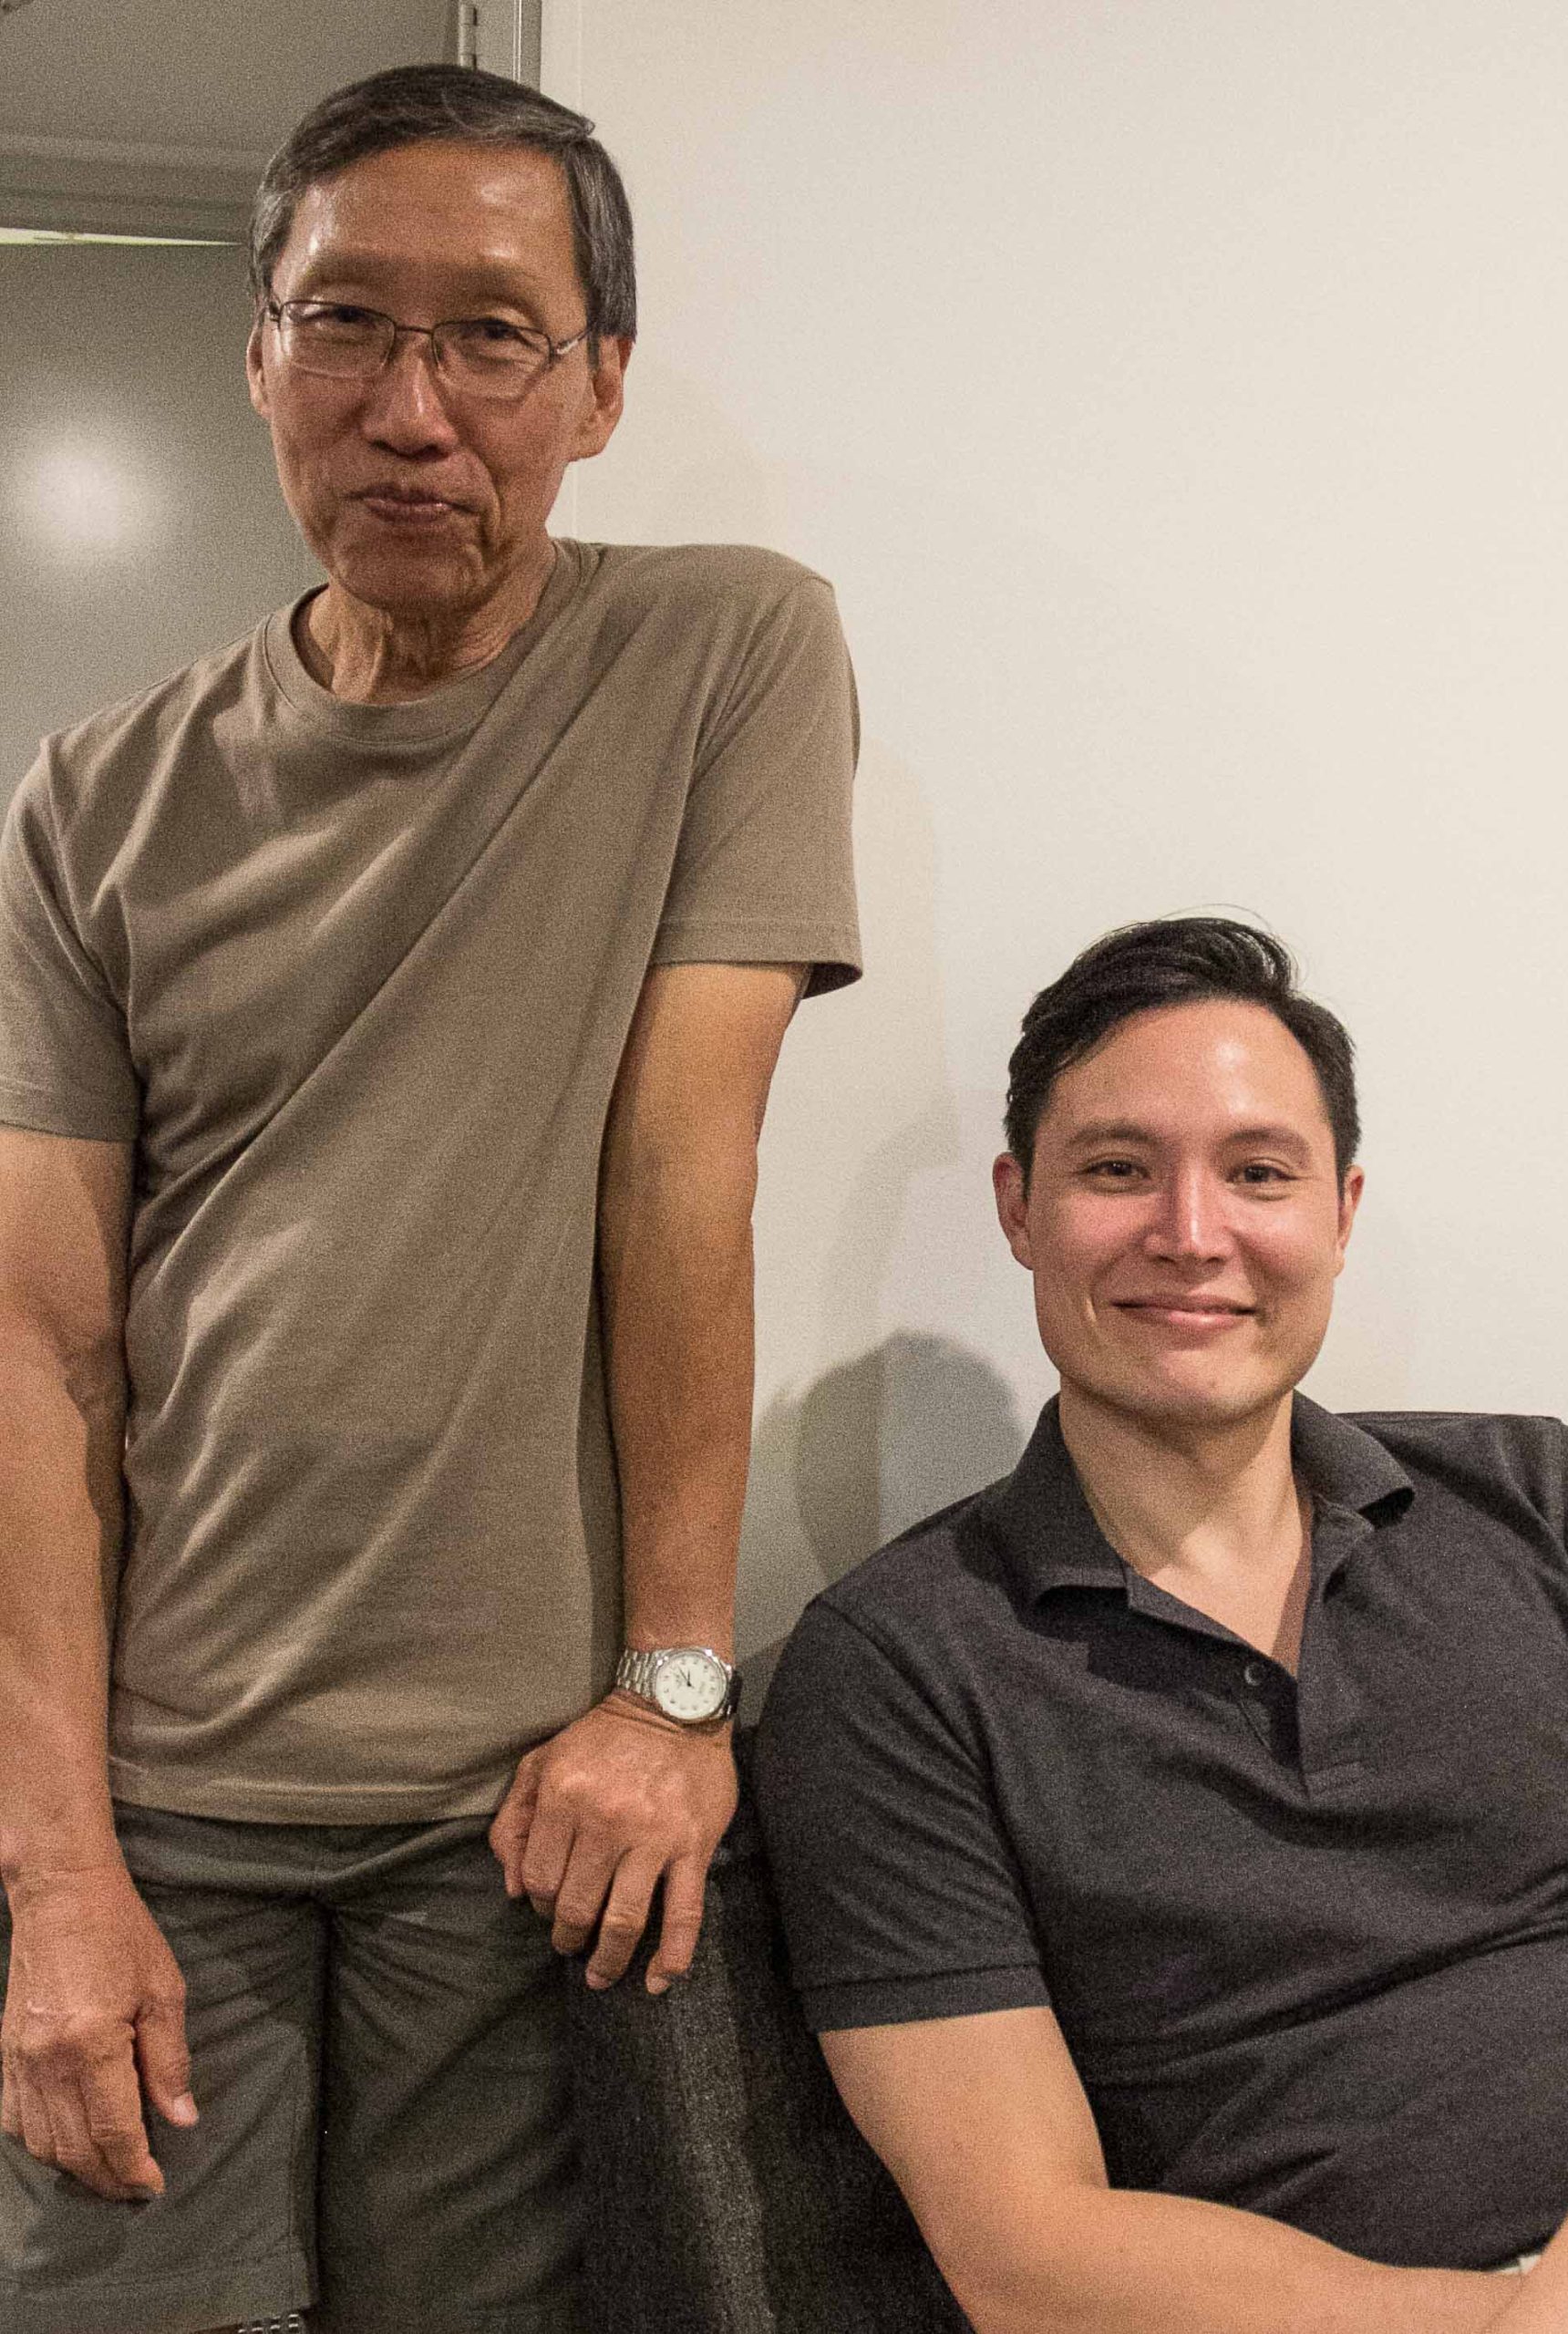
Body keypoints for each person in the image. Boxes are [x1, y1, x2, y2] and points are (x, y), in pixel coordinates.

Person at [0, 62, 859, 2334]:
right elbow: (37, 1342)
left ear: (599, 385)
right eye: (347, 324)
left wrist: (673, 1690)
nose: (411, 409)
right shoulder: (90, 799)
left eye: (488, 336)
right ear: (257, 353)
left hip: (519, 1812)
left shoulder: (723, 653)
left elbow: (682, 1169)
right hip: (161, 1794)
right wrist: (54, 1866)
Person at [754, 917, 1568, 2334]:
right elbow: (1024, 2251)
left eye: (1257, 1173)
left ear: (1340, 1212)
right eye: (1116, 1170)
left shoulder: (1542, 1496)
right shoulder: (893, 1667)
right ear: (1019, 1209)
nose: (1190, 1234)